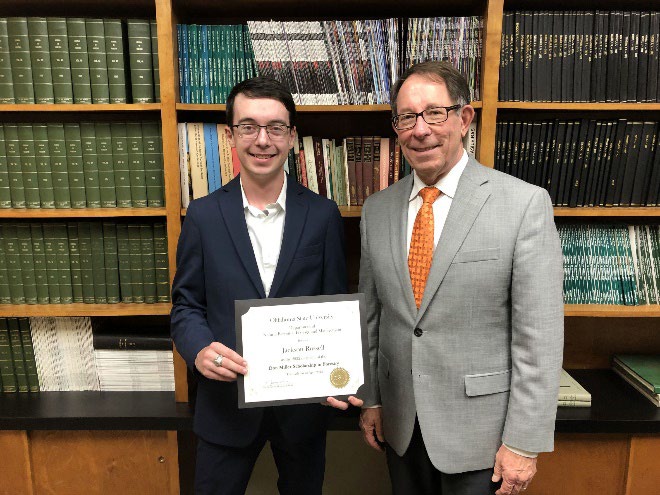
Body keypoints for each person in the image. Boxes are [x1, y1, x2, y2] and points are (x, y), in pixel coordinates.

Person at [333, 60, 564, 495]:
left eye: (435, 113)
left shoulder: (523, 204)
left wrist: (524, 443)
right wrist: (373, 400)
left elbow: (540, 337)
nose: (420, 130)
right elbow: (371, 315)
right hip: (400, 427)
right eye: (406, 117)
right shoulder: (377, 210)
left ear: (464, 118)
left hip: (484, 437)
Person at [170, 76, 347, 495]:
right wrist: (199, 349)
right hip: (225, 407)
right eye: (249, 126)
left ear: (292, 137)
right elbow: (186, 306)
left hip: (303, 409)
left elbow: (337, 305)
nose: (262, 140)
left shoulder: (323, 215)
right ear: (230, 134)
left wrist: (339, 375)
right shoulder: (203, 216)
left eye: (276, 128)